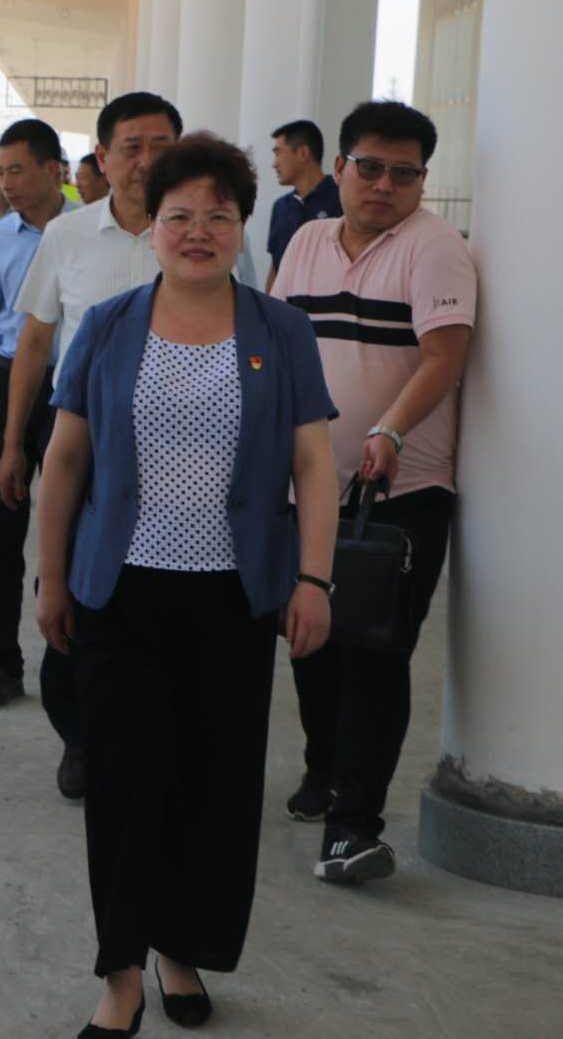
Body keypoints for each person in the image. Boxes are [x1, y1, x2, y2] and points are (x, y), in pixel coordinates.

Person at [35, 133, 339, 1038]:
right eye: (180, 216)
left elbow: (313, 465)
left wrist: (314, 578)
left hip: (233, 598)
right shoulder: (109, 324)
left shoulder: (280, 329)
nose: (199, 231)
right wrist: (51, 579)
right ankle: (121, 973)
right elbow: (64, 461)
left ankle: (181, 946)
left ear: (243, 226)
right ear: (152, 226)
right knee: (126, 787)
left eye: (219, 215)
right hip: (120, 593)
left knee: (213, 788)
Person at [271, 100, 475, 883]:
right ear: (339, 169)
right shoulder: (306, 242)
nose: (384, 185)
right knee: (310, 638)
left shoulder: (435, 248)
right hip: (307, 489)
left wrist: (387, 430)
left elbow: (444, 358)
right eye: (370, 167)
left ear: (423, 180)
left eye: (404, 173)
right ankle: (323, 769)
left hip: (401, 494)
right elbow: (276, 344)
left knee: (375, 653)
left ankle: (353, 828)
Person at [0, 92, 182, 799]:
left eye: (161, 146)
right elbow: (35, 343)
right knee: (69, 590)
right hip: (83, 444)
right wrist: (14, 442)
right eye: (131, 147)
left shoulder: (206, 235)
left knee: (159, 597)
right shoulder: (67, 236)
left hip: (180, 451)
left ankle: (152, 735)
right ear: (102, 157)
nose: (145, 161)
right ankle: (78, 735)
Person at [0, 118, 75, 722]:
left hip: (73, 391)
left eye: (17, 170)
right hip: (9, 383)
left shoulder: (85, 232)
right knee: (4, 530)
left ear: (53, 170)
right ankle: (1, 663)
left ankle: (69, 654)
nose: (5, 182)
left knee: (71, 526)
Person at [264, 119, 343, 294]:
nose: (274, 164)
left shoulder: (341, 199)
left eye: (278, 153)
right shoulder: (280, 207)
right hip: (285, 308)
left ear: (302, 153)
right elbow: (276, 268)